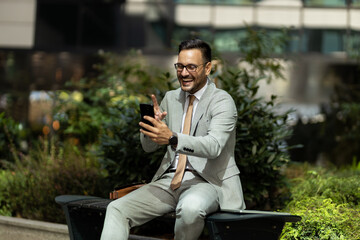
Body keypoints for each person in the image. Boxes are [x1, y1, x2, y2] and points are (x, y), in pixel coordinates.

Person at [100, 39, 245, 240]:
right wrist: (153, 129)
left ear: (208, 68)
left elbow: (214, 146)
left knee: (190, 209)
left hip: (209, 181)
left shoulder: (222, 101)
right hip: (169, 181)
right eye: (180, 66)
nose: (184, 73)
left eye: (191, 67)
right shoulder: (171, 98)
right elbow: (148, 147)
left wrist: (172, 137)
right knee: (117, 208)